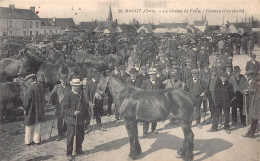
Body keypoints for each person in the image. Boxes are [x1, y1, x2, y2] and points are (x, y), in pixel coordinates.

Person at [61, 76, 88, 160]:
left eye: (78, 85)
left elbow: (84, 106)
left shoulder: (81, 95)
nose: (77, 87)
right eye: (75, 85)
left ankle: (78, 150)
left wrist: (88, 114)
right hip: (71, 120)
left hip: (80, 120)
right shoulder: (68, 95)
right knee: (70, 137)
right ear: (72, 86)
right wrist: (73, 112)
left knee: (80, 136)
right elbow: (64, 107)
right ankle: (69, 154)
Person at [23, 74, 45, 146]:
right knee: (37, 124)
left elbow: (27, 99)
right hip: (39, 109)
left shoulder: (30, 87)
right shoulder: (41, 86)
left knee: (28, 125)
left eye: (28, 80)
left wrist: (25, 108)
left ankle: (28, 141)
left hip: (31, 109)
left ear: (32, 79)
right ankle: (36, 141)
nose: (27, 81)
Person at [141, 68, 164, 138]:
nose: (152, 76)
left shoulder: (159, 82)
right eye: (151, 75)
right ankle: (145, 132)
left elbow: (163, 90)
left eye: (153, 75)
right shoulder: (145, 82)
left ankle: (153, 129)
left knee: (155, 116)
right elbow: (142, 91)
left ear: (155, 75)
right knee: (146, 117)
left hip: (156, 102)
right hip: (147, 102)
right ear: (149, 76)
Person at [49, 73, 71, 141]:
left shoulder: (69, 86)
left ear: (66, 79)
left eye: (64, 79)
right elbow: (51, 95)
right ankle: (60, 134)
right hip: (59, 107)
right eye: (62, 79)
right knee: (60, 121)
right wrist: (53, 102)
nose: (63, 81)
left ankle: (64, 131)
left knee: (67, 120)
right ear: (60, 80)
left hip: (67, 106)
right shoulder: (56, 86)